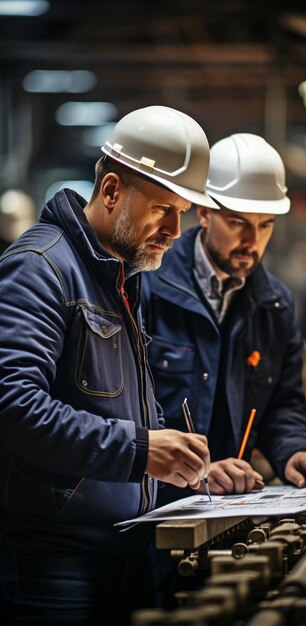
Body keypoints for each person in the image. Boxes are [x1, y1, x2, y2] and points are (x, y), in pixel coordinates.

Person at [0, 105, 218, 626]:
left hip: (124, 553)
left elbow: (109, 408)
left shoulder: (119, 275)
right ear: (113, 189)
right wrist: (141, 450)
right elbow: (12, 406)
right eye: (163, 208)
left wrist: (184, 468)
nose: (174, 229)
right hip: (53, 564)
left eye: (183, 212)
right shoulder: (40, 268)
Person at [142, 132, 306, 502]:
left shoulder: (275, 304)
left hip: (229, 506)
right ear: (203, 212)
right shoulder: (148, 285)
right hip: (148, 511)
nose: (253, 240)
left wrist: (296, 450)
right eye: (238, 223)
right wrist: (197, 472)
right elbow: (129, 413)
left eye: (265, 225)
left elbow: (283, 404)